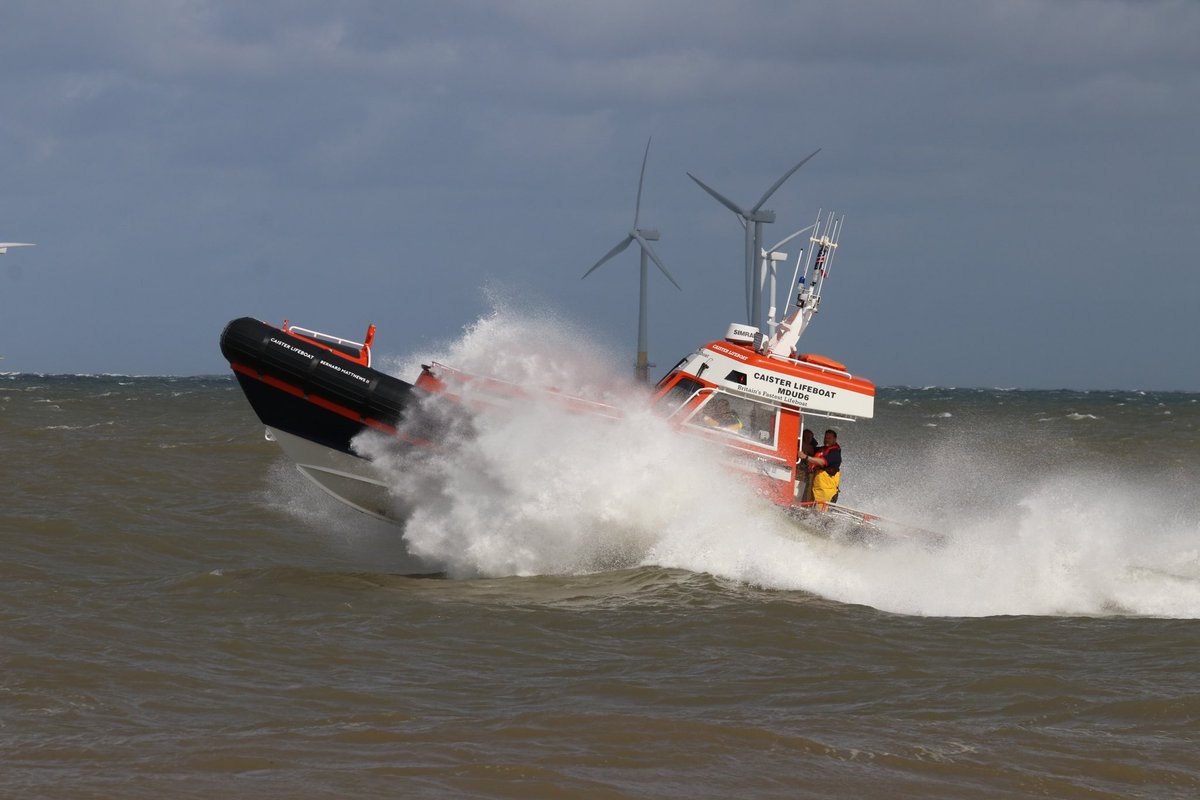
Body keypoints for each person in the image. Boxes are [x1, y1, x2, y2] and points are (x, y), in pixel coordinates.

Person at [799, 428, 841, 507]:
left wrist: (805, 457)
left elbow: (822, 462)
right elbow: (810, 449)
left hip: (827, 492)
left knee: (821, 514)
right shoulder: (822, 449)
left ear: (835, 439)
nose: (826, 440)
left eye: (829, 438)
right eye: (825, 438)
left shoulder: (835, 454)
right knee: (811, 508)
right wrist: (803, 439)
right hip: (817, 488)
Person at [797, 428, 818, 503]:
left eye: (809, 437)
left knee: (807, 492)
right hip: (799, 472)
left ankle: (804, 503)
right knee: (798, 490)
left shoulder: (814, 448)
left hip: (809, 474)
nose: (807, 438)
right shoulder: (798, 444)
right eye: (805, 436)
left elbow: (810, 450)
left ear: (812, 438)